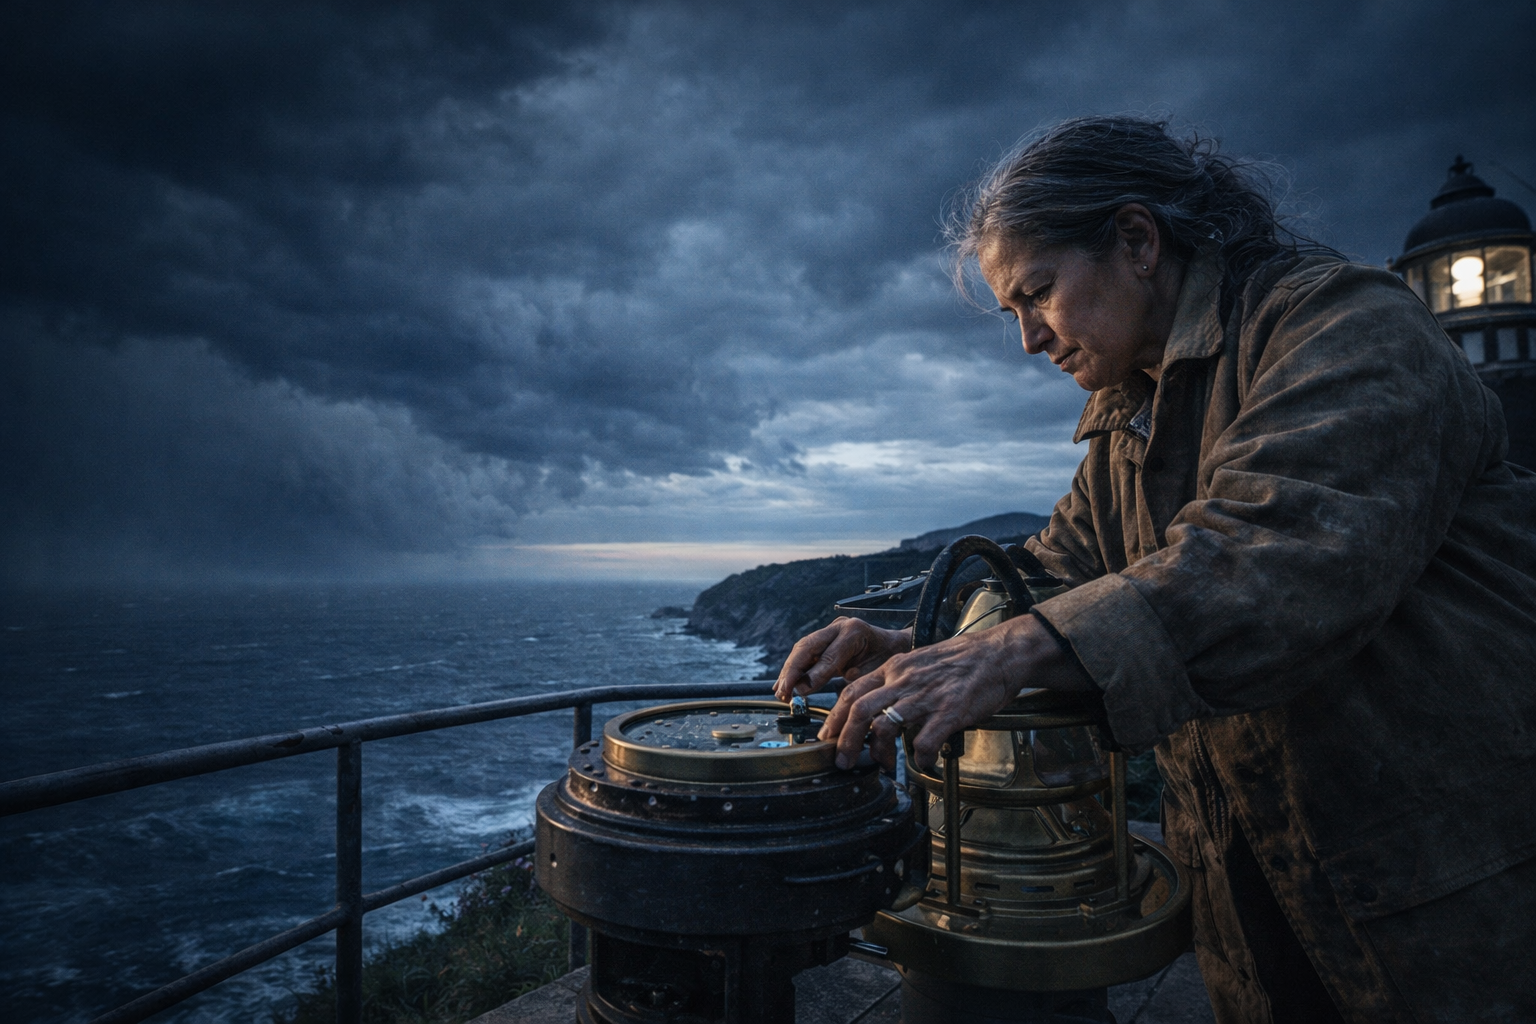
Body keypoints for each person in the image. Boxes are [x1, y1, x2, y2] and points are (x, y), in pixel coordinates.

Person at [774, 116, 1536, 1024]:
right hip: (1251, 881)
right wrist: (913, 640)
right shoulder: (1129, 413)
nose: (1028, 340)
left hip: (1439, 878)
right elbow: (1055, 578)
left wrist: (1010, 655)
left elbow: (1274, 560)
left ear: (1137, 240)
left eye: (1039, 293)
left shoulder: (1347, 326)